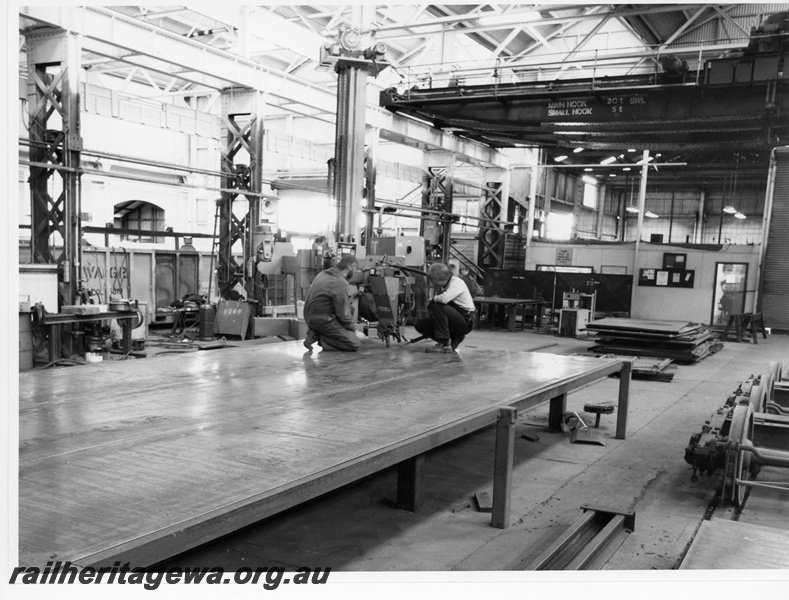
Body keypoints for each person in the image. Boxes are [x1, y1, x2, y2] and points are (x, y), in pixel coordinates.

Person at [303, 253, 364, 352]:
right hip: (322, 319)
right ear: (350, 266)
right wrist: (355, 331)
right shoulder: (340, 282)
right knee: (354, 343)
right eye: (356, 269)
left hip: (310, 316)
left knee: (350, 309)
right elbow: (343, 314)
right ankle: (321, 339)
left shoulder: (323, 274)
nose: (356, 272)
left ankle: (313, 333)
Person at [416, 262, 476, 353]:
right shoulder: (446, 285)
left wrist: (431, 300)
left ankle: (445, 344)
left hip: (466, 320)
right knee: (420, 325)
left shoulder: (456, 282)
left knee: (438, 306)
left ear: (436, 279)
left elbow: (444, 299)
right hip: (456, 318)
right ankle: (453, 338)